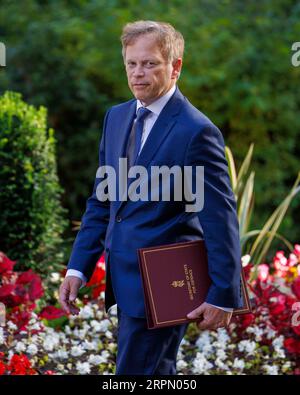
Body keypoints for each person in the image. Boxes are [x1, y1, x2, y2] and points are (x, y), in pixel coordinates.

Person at [59, 20, 243, 375]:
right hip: (123, 281)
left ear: (175, 67)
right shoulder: (116, 117)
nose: (138, 73)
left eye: (150, 64)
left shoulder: (197, 131)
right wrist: (77, 268)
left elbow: (220, 218)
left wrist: (224, 292)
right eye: (131, 63)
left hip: (166, 284)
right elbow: (103, 201)